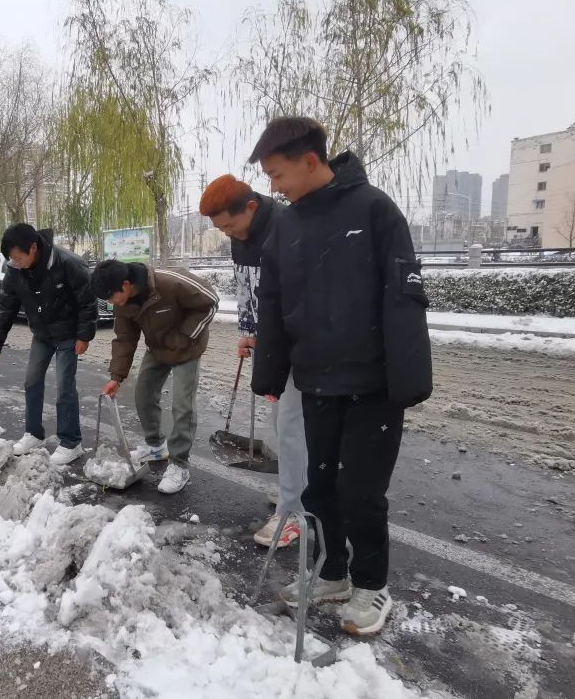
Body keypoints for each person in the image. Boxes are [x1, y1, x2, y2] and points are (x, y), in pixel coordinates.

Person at [249, 117, 432, 636]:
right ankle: (332, 573)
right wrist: (271, 371)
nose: (274, 187)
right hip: (316, 381)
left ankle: (373, 586)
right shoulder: (286, 225)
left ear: (311, 161)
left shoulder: (374, 210)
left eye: (278, 174)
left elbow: (404, 296)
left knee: (361, 493)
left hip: (374, 385)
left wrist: (409, 377)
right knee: (319, 488)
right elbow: (274, 304)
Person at [199, 174, 306, 550]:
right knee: (282, 421)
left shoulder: (288, 226)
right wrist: (249, 331)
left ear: (251, 208)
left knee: (292, 422)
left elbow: (300, 294)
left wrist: (278, 340)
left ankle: (295, 511)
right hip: (268, 343)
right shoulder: (239, 238)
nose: (229, 234)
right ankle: (297, 488)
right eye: (221, 229)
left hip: (299, 344)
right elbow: (246, 287)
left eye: (230, 224)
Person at [90, 260, 219, 494]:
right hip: (157, 348)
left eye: (111, 297)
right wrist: (116, 377)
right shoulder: (123, 303)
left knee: (182, 405)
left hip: (186, 347)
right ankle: (156, 446)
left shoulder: (169, 282)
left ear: (126, 284)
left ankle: (179, 464)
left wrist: (185, 336)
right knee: (143, 395)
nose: (112, 303)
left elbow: (210, 302)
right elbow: (124, 339)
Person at [0, 224, 98, 466]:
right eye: (11, 259)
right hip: (42, 334)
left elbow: (87, 301)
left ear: (33, 248)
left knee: (65, 386)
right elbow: (5, 309)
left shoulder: (67, 263)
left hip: (68, 334)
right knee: (32, 381)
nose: (15, 263)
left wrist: (84, 336)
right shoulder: (15, 270)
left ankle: (71, 442)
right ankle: (33, 434)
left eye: (18, 257)